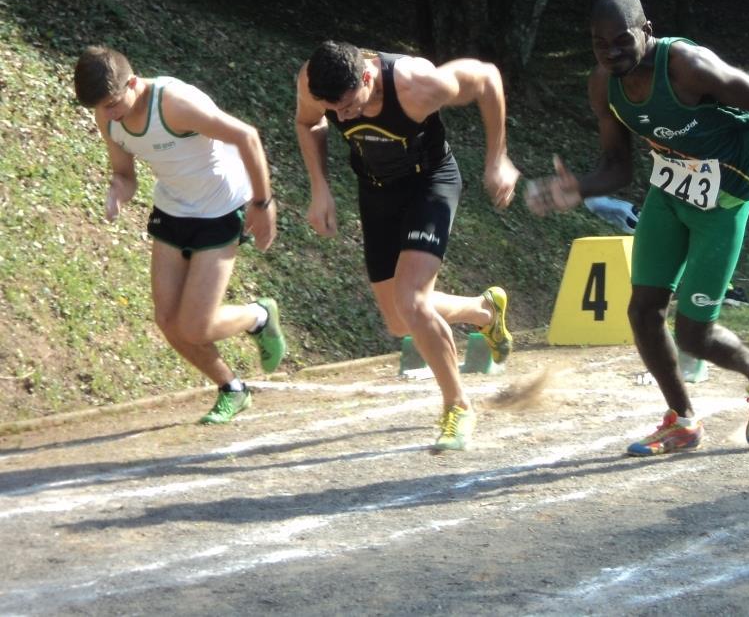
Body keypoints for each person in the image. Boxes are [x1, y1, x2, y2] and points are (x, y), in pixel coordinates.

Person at [525, 0, 749, 456]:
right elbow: (619, 168)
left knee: (694, 334)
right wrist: (579, 187)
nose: (612, 52)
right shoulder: (603, 84)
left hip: (723, 200)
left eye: (622, 40)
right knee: (643, 312)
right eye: (601, 44)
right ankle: (682, 420)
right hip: (671, 193)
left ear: (647, 31)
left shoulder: (687, 66)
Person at [294, 41, 519, 452]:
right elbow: (309, 123)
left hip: (429, 183)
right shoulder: (315, 81)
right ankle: (483, 311)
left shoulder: (418, 84)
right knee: (401, 322)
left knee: (413, 302)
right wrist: (320, 188)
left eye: (348, 105)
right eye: (335, 109)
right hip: (377, 191)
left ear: (366, 76)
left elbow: (487, 77)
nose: (342, 116)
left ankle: (458, 406)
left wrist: (497, 158)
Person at [73, 46, 286, 425]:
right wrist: (115, 192)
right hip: (173, 210)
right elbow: (125, 175)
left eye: (112, 103)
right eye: (100, 108)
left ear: (133, 83)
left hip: (221, 209)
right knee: (169, 321)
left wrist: (262, 202)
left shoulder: (175, 104)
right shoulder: (107, 118)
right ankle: (232, 388)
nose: (106, 114)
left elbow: (247, 136)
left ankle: (258, 316)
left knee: (197, 325)